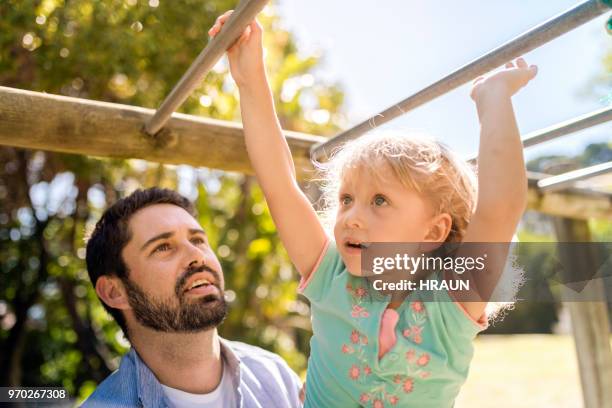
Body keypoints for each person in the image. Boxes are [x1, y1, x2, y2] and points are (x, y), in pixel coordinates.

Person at [210, 10, 537, 408]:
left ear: (433, 231)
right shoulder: (330, 275)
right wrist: (250, 78)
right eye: (346, 200)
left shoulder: (452, 302)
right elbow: (279, 183)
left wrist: (495, 99)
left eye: (379, 200)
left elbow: (500, 208)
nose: (351, 217)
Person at [82, 187, 302, 407]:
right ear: (114, 292)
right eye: (163, 247)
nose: (198, 256)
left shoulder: (276, 378)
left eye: (198, 240)